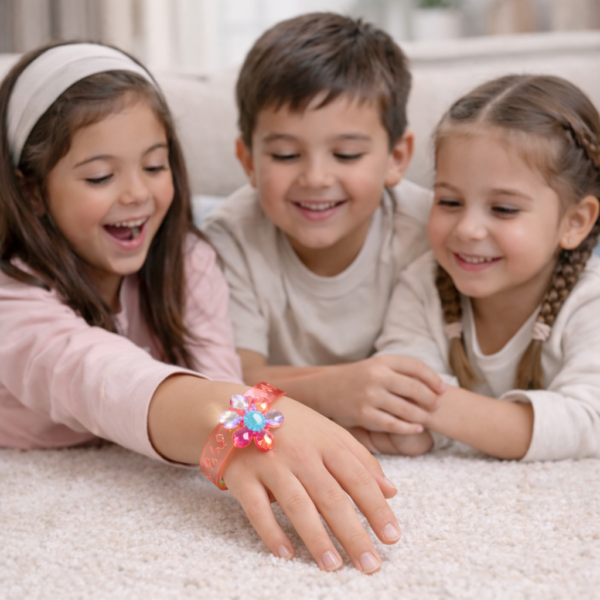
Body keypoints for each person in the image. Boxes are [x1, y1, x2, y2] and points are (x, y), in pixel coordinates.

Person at [0, 42, 402, 574]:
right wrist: (237, 422)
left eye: (154, 165)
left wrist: (255, 420)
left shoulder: (188, 260)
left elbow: (220, 381)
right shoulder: (13, 299)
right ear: (31, 191)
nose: (137, 193)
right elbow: (98, 376)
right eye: (100, 176)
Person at [202, 13, 445, 443]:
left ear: (396, 158)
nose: (315, 178)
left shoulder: (429, 229)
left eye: (346, 155)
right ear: (248, 161)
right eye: (285, 155)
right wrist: (334, 391)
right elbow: (231, 381)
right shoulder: (229, 236)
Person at [375, 74, 600, 460]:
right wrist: (417, 431)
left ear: (574, 222)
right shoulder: (422, 284)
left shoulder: (589, 301)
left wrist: (430, 409)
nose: (467, 229)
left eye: (503, 209)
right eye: (449, 202)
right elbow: (401, 392)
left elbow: (589, 422)